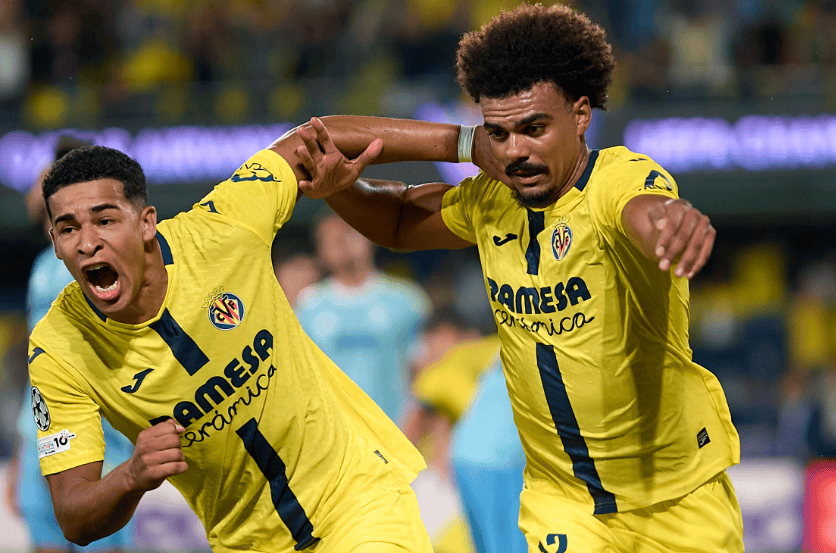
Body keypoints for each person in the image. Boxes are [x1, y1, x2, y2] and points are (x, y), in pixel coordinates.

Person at [294, 4, 744, 551]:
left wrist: (670, 225)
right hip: (565, 504)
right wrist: (362, 181)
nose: (516, 153)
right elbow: (373, 195)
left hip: (677, 496)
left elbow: (644, 210)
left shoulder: (616, 180)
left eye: (534, 129)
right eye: (499, 133)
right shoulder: (490, 199)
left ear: (581, 115)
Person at [26, 129, 434, 552]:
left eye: (105, 221)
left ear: (146, 222)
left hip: (357, 501)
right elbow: (73, 517)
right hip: (245, 543)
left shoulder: (222, 228)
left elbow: (314, 136)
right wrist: (131, 476)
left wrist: (463, 144)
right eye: (68, 229)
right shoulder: (58, 347)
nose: (87, 243)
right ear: (54, 242)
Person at [11, 136, 134, 553]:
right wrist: (23, 449)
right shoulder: (43, 266)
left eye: (40, 176)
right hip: (40, 438)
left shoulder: (101, 263)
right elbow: (37, 367)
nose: (31, 187)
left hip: (98, 441)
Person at [295, 212, 430, 424]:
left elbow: (424, 371)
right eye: (332, 239)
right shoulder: (307, 306)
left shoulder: (407, 300)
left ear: (370, 238)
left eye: (349, 232)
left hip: (394, 428)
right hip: (336, 431)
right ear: (320, 250)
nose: (342, 242)